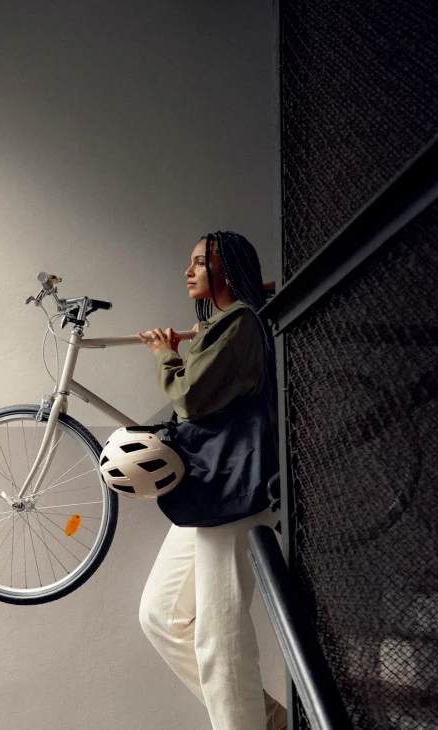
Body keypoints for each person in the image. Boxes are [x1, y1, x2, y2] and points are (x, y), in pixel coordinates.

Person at [135, 231, 288, 730]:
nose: (189, 269)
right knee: (160, 615)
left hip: (234, 489)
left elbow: (191, 396)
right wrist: (192, 339)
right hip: (211, 490)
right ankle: (268, 721)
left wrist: (164, 353)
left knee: (220, 635)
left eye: (201, 261)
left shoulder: (241, 322)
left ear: (227, 270)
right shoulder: (226, 322)